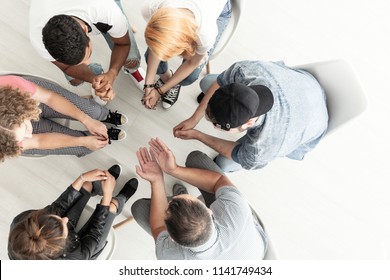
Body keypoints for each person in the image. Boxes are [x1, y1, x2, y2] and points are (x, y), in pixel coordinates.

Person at [173, 60, 329, 172]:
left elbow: (237, 153)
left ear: (247, 123)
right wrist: (194, 119)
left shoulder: (262, 148)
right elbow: (220, 82)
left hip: (314, 121)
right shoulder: (245, 71)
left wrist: (198, 135)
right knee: (207, 82)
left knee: (224, 164)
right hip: (308, 86)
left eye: (216, 126)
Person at [131, 137, 268, 259]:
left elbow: (159, 227)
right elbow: (217, 181)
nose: (175, 199)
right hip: (254, 252)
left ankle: (180, 212)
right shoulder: (235, 209)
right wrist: (174, 169)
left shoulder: (169, 255)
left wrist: (156, 180)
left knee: (139, 208)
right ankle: (181, 212)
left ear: (172, 239)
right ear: (209, 210)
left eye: (169, 208)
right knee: (196, 158)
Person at [8, 165, 139, 260]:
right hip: (86, 248)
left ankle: (101, 185)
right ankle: (121, 199)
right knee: (111, 207)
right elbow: (94, 233)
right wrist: (108, 196)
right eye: (63, 224)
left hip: (58, 241)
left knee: (86, 185)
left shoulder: (23, 222)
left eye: (57, 218)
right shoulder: (74, 261)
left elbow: (58, 206)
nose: (65, 219)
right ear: (61, 245)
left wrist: (81, 178)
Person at [29, 0, 145, 105]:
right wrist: (95, 79)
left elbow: (123, 44)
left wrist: (112, 73)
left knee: (131, 60)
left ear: (85, 29)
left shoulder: (105, 9)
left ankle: (131, 67)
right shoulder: (38, 38)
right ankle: (100, 72)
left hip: (102, 10)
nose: (87, 63)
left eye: (87, 57)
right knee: (75, 80)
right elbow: (67, 68)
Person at [0, 74, 127, 161]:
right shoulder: (6, 141)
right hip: (20, 116)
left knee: (92, 112)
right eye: (21, 138)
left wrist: (86, 120)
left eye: (25, 130)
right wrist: (82, 141)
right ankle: (102, 134)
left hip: (31, 99)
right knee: (84, 147)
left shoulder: (12, 86)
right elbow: (38, 141)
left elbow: (49, 98)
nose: (29, 134)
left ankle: (103, 115)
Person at [141, 0, 232, 110]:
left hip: (219, 9)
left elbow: (192, 62)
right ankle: (167, 78)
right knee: (149, 57)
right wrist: (148, 85)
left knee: (190, 76)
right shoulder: (152, 7)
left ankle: (173, 83)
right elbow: (156, 45)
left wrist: (160, 91)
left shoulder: (205, 33)